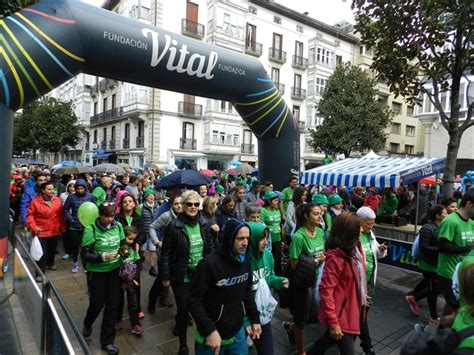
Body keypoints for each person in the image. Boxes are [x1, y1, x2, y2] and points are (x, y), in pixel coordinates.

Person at [189, 219, 261, 355]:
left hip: (237, 332)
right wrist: (209, 330)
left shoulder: (245, 260)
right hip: (212, 335)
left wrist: (254, 319)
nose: (245, 243)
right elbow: (193, 300)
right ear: (229, 238)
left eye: (247, 238)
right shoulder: (209, 264)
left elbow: (247, 292)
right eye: (240, 238)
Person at [160, 190, 215, 355]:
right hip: (182, 276)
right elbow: (166, 253)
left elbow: (210, 249)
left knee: (202, 311)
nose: (192, 207)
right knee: (183, 312)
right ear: (182, 206)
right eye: (189, 204)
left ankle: (203, 340)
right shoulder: (174, 225)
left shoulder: (204, 223)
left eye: (196, 204)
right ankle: (183, 345)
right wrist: (165, 277)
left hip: (201, 277)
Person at [308, 212, 366, 355]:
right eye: (358, 229)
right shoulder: (336, 259)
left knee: (326, 342)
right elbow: (325, 291)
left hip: (353, 310)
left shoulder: (356, 250)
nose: (362, 231)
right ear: (349, 233)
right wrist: (334, 323)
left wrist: (362, 294)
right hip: (341, 316)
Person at [81, 203, 124, 355]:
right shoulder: (90, 229)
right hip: (97, 273)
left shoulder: (117, 226)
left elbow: (123, 244)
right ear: (100, 215)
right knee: (97, 303)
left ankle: (107, 342)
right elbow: (85, 255)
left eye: (112, 216)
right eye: (107, 217)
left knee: (113, 305)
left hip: (114, 271)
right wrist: (103, 256)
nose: (110, 219)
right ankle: (88, 322)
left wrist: (125, 252)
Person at [283, 203, 325, 354]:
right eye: (315, 214)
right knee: (302, 319)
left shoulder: (320, 232)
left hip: (319, 280)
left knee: (314, 315)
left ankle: (290, 327)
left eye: (320, 213)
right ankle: (301, 351)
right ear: (306, 216)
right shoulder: (299, 237)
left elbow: (323, 254)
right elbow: (294, 264)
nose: (320, 216)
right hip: (304, 283)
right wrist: (315, 261)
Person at [246, 221, 289, 354]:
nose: (265, 242)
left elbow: (269, 278)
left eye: (266, 238)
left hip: (261, 314)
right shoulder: (242, 261)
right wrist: (246, 321)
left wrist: (279, 281)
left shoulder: (268, 256)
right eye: (260, 238)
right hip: (242, 318)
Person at [405, 205, 447, 321]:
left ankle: (413, 296)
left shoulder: (444, 226)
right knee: (434, 289)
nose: (447, 214)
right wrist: (443, 249)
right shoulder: (428, 228)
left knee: (436, 287)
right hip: (428, 265)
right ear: (438, 216)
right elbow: (424, 247)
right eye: (445, 213)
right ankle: (434, 317)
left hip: (438, 264)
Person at [356, 206, 388, 355]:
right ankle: (367, 347)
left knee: (360, 316)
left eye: (372, 223)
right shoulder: (353, 235)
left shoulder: (370, 234)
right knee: (361, 317)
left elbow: (375, 254)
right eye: (368, 223)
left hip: (366, 282)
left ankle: (350, 337)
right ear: (359, 221)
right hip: (355, 284)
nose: (371, 226)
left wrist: (380, 250)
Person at [437, 190, 474, 313]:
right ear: (469, 204)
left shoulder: (471, 223)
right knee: (458, 308)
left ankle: (440, 328)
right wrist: (468, 248)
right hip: (449, 273)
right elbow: (442, 247)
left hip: (463, 273)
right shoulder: (450, 221)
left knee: (452, 305)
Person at [147, 195, 183, 312]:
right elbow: (152, 227)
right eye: (176, 203)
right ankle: (152, 302)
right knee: (161, 281)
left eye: (181, 203)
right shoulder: (167, 216)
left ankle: (183, 313)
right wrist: (157, 242)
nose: (179, 206)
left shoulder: (186, 217)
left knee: (178, 283)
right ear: (172, 205)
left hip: (179, 256)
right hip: (165, 255)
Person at [27, 181, 66, 282]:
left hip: (54, 230)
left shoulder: (57, 200)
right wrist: (34, 227)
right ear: (43, 191)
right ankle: (39, 273)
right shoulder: (35, 202)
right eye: (49, 189)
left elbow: (61, 215)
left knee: (52, 250)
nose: (52, 191)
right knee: (41, 253)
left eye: (53, 189)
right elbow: (30, 216)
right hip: (41, 231)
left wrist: (63, 227)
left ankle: (50, 264)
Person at [63, 179, 97, 272]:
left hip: (87, 226)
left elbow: (95, 208)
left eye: (82, 188)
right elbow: (65, 209)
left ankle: (86, 264)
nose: (80, 190)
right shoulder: (71, 197)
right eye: (78, 188)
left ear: (85, 188)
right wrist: (71, 219)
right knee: (75, 246)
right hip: (75, 226)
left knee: (87, 246)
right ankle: (75, 262)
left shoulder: (91, 197)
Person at [116, 226, 143, 335]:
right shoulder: (119, 249)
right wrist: (123, 281)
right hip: (121, 281)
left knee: (133, 303)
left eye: (133, 239)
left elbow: (137, 262)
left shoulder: (133, 248)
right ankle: (117, 320)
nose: (132, 241)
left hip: (131, 281)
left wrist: (134, 278)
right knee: (118, 301)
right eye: (129, 239)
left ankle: (135, 324)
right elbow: (118, 266)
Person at [261, 190, 285, 276]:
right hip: (267, 242)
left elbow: (281, 225)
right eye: (275, 200)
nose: (277, 202)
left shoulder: (277, 210)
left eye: (277, 200)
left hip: (277, 240)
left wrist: (283, 240)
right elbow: (261, 225)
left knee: (277, 261)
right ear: (268, 201)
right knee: (268, 260)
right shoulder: (263, 211)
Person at [140, 188, 158, 276]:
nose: (152, 197)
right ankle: (140, 258)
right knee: (142, 248)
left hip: (153, 231)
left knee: (153, 249)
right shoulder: (141, 206)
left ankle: (152, 267)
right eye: (149, 195)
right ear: (146, 197)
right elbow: (139, 219)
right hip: (144, 231)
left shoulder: (157, 206)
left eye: (153, 195)